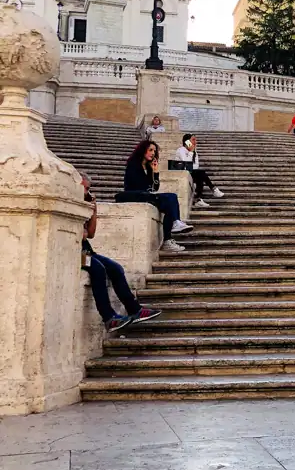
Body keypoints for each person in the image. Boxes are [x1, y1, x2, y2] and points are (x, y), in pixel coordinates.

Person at [81, 173, 161, 332]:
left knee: (115, 268)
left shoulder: (84, 204)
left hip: (86, 251)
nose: (88, 192)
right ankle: (109, 318)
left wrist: (94, 210)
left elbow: (90, 234)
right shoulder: (69, 203)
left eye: (88, 189)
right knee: (98, 269)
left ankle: (134, 309)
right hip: (74, 253)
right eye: (86, 188)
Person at [115, 140, 192, 252]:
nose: (153, 153)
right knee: (170, 197)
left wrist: (155, 172)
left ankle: (168, 239)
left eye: (154, 151)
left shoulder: (148, 167)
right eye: (150, 150)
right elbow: (138, 185)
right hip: (135, 196)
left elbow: (154, 188)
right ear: (143, 150)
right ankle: (175, 224)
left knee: (171, 202)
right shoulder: (133, 164)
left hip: (146, 196)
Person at [175, 134, 224, 207]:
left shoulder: (195, 153)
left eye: (195, 140)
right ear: (187, 141)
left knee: (200, 175)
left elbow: (195, 166)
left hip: (191, 172)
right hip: (181, 172)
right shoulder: (181, 150)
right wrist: (191, 152)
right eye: (193, 140)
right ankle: (213, 189)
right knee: (201, 173)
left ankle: (199, 199)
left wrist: (192, 153)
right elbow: (186, 162)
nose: (195, 142)